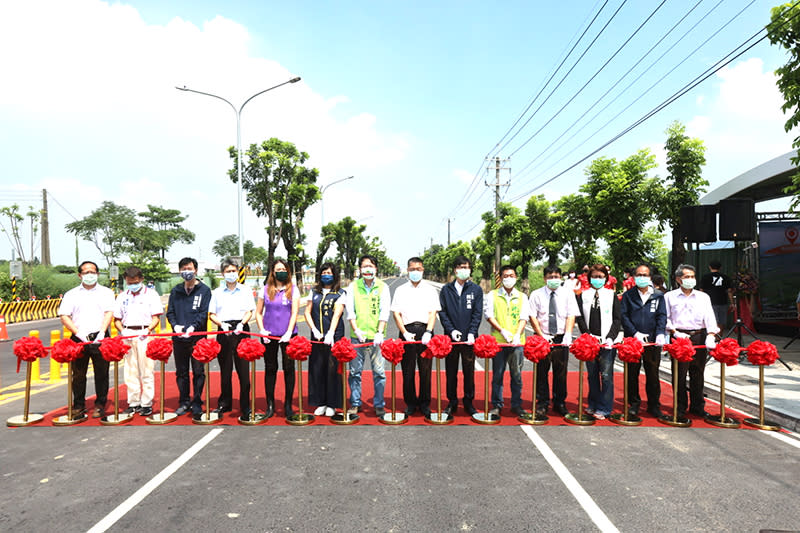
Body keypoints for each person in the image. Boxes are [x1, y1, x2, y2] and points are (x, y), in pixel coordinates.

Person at [58, 260, 115, 418]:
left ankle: (100, 403)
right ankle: (79, 405)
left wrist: (102, 332)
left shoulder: (106, 292)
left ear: (97, 274)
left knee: (102, 373)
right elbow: (64, 315)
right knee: (78, 374)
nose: (89, 275)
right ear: (79, 275)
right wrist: (78, 333)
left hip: (100, 337)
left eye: (92, 272)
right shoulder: (71, 294)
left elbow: (109, 312)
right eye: (86, 272)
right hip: (78, 339)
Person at [665, 264, 719, 417]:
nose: (690, 279)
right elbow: (666, 318)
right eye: (686, 277)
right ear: (678, 279)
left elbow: (710, 317)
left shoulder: (703, 297)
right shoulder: (669, 296)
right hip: (679, 338)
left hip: (699, 336)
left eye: (692, 276)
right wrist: (675, 332)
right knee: (679, 374)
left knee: (697, 372)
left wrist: (711, 334)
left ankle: (697, 406)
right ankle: (680, 407)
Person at [392, 256, 441, 417]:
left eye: (418, 269)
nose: (415, 272)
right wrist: (404, 333)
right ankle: (411, 403)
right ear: (407, 270)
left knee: (426, 369)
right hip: (407, 331)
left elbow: (433, 312)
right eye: (412, 269)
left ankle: (425, 403)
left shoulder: (429, 290)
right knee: (408, 370)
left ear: (423, 270)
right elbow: (396, 313)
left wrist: (429, 331)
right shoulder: (401, 290)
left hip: (425, 331)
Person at [113, 266, 162, 417]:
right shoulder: (122, 296)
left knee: (146, 369)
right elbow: (117, 319)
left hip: (144, 333)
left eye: (135, 281)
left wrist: (147, 330)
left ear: (141, 279)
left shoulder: (151, 295)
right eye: (129, 282)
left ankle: (146, 403)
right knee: (130, 370)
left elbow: (156, 318)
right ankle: (133, 402)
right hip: (127, 333)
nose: (132, 285)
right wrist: (122, 330)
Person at [208, 259, 255, 419]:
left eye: (233, 271)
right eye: (228, 271)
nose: (231, 274)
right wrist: (222, 324)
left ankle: (245, 405)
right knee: (225, 371)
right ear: (222, 274)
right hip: (224, 330)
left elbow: (250, 310)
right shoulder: (216, 292)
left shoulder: (246, 290)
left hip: (241, 329)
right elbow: (212, 314)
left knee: (244, 372)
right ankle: (224, 403)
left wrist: (242, 323)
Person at [529, 265, 578, 416]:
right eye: (550, 277)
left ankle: (559, 402)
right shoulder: (536, 294)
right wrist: (541, 335)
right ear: (545, 279)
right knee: (541, 372)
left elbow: (571, 314)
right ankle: (542, 403)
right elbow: (532, 316)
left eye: (556, 277)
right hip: (542, 338)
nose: (553, 280)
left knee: (561, 372)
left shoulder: (568, 293)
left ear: (561, 278)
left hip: (560, 338)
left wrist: (568, 334)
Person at [620, 263, 666, 418]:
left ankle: (654, 405)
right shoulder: (628, 295)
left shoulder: (658, 295)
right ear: (634, 277)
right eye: (638, 275)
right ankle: (633, 403)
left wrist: (660, 333)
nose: (642, 277)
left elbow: (662, 316)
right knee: (632, 374)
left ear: (650, 277)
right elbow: (624, 316)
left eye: (645, 275)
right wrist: (634, 333)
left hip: (652, 341)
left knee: (653, 373)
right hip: (633, 341)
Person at [438, 256, 483, 416]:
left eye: (466, 267)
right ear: (455, 269)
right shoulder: (446, 290)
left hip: (469, 340)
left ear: (470, 270)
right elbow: (442, 313)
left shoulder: (476, 290)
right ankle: (452, 401)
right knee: (451, 371)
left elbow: (477, 314)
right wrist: (451, 331)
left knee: (469, 371)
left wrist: (471, 332)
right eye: (460, 267)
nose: (464, 270)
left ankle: (469, 401)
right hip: (451, 339)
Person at [166, 257, 211, 416]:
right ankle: (184, 401)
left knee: (198, 371)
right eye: (184, 269)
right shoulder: (176, 291)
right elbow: (170, 311)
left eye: (189, 268)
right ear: (179, 271)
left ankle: (197, 401)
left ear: (196, 270)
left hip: (197, 338)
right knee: (181, 372)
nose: (187, 272)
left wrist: (193, 327)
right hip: (179, 338)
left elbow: (204, 313)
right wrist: (175, 326)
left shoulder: (204, 291)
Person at [576, 264, 621, 419]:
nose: (597, 279)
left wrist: (610, 337)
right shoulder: (583, 295)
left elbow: (617, 319)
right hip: (590, 342)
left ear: (606, 279)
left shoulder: (611, 295)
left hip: (607, 341)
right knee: (592, 374)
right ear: (589, 278)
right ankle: (593, 403)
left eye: (601, 277)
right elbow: (580, 317)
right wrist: (587, 336)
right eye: (594, 276)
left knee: (606, 375)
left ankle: (605, 407)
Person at [255, 259, 299, 418]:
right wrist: (262, 330)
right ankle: (270, 405)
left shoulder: (293, 289)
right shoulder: (265, 289)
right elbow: (258, 312)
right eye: (277, 269)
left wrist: (288, 332)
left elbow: (294, 312)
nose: (281, 271)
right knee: (270, 368)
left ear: (288, 271)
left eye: (284, 269)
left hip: (289, 335)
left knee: (289, 369)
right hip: (269, 335)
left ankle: (288, 405)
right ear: (273, 272)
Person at [485, 265, 528, 417]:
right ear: (501, 278)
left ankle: (516, 404)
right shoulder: (493, 295)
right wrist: (502, 331)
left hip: (517, 343)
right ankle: (496, 405)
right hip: (499, 342)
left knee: (517, 375)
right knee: (498, 375)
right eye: (505, 276)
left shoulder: (522, 297)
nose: (509, 278)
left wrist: (517, 334)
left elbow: (524, 317)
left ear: (516, 277)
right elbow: (489, 315)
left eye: (511, 275)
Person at [303, 262, 346, 417]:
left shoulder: (340, 293)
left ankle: (332, 404)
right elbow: (307, 312)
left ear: (334, 275)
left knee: (333, 369)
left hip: (333, 337)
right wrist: (314, 329)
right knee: (317, 368)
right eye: (323, 273)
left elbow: (337, 314)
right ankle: (320, 402)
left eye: (329, 272)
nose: (326, 275)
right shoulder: (314, 292)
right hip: (317, 337)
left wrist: (331, 333)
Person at [699, 260, 734, 331]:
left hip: (710, 302)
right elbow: (729, 291)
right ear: (720, 267)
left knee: (712, 321)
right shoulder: (725, 277)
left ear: (709, 267)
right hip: (723, 301)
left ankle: (714, 337)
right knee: (722, 321)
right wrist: (732, 302)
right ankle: (719, 338)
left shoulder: (705, 277)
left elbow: (701, 290)